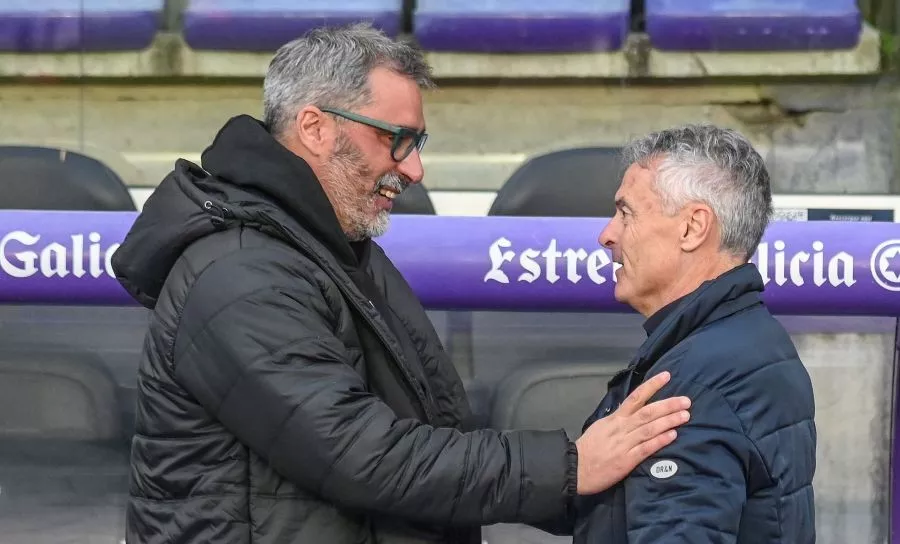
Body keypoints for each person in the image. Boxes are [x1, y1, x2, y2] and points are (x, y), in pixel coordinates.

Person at [110, 23, 691, 544]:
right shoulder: (240, 273)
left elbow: (431, 430)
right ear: (314, 127)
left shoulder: (328, 246)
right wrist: (568, 467)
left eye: (418, 144)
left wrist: (574, 484)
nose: (414, 169)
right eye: (397, 138)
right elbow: (361, 455)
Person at [569, 124, 817, 543]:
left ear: (692, 228)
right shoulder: (751, 341)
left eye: (626, 212)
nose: (606, 235)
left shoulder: (694, 382)